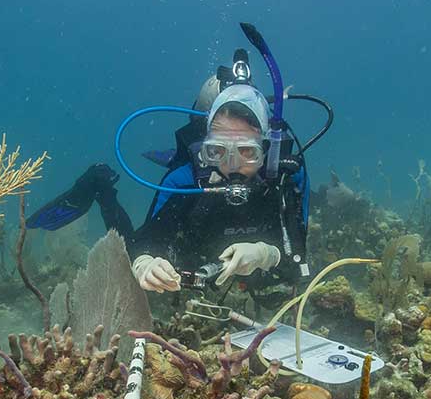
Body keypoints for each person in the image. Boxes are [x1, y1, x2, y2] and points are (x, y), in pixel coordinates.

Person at [28, 76, 310, 295]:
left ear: (267, 150)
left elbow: (298, 264)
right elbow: (144, 241)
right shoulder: (183, 181)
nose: (233, 165)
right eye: (218, 151)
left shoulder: (286, 181)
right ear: (204, 149)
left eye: (248, 152)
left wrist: (267, 254)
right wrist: (144, 264)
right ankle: (101, 188)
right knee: (126, 251)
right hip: (188, 258)